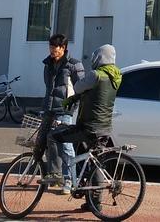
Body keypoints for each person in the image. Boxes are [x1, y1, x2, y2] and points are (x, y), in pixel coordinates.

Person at [44, 44, 121, 208]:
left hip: (88, 126)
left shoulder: (95, 75)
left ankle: (57, 175)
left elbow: (78, 87)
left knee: (53, 136)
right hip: (105, 127)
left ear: (100, 58)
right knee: (96, 161)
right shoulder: (116, 77)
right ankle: (94, 203)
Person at [41, 33, 85, 195]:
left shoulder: (73, 65)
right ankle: (55, 176)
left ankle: (70, 180)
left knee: (66, 146)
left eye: (55, 47)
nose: (52, 50)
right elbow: (48, 87)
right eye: (50, 47)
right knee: (48, 142)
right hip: (49, 109)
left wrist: (71, 106)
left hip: (65, 111)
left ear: (64, 48)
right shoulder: (48, 64)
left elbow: (81, 88)